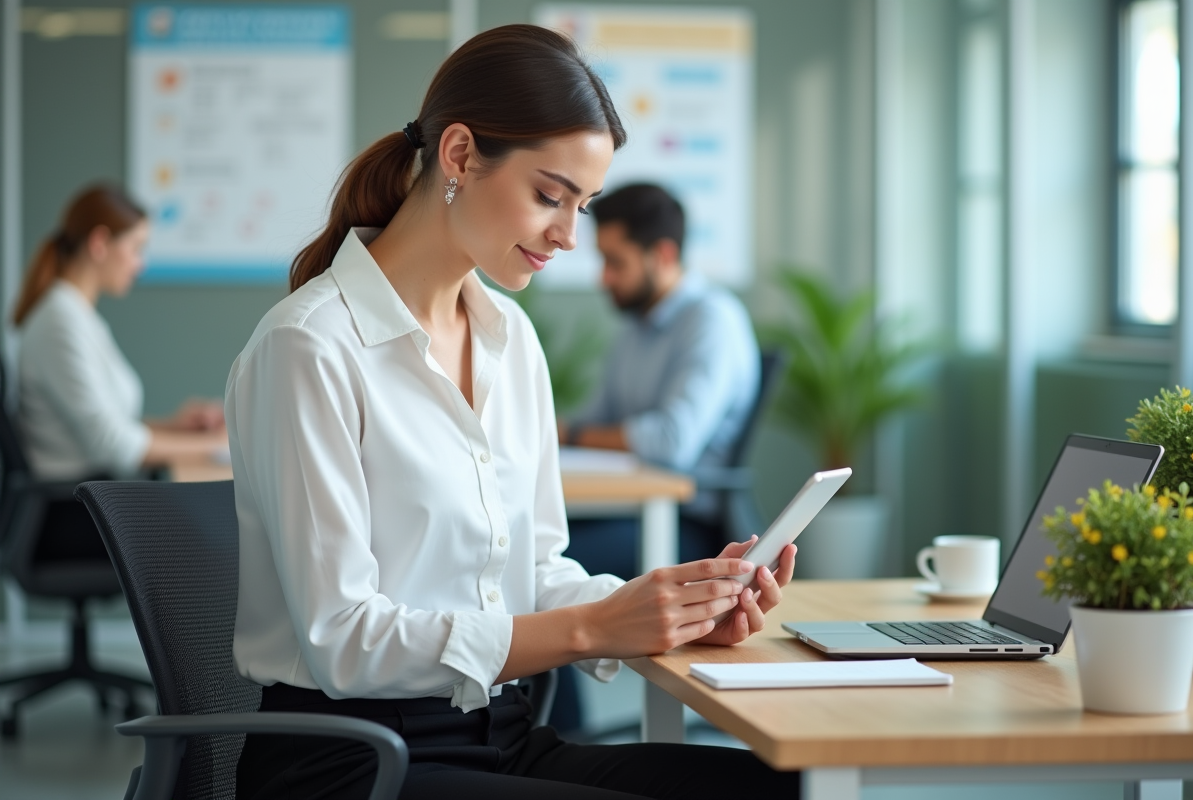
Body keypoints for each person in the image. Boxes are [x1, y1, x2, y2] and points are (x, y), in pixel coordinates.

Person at [226, 25, 799, 800]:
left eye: (582, 207)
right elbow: (344, 641)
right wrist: (594, 630)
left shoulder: (509, 339)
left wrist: (663, 611)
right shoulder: (310, 346)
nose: (568, 236)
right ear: (459, 155)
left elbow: (533, 574)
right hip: (355, 760)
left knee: (770, 786)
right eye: (549, 196)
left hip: (503, 733)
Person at [560, 184, 761, 580]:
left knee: (535, 563)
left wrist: (571, 433)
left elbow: (672, 441)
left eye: (615, 262)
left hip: (684, 528)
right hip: (627, 512)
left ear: (663, 255)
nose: (604, 278)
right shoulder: (634, 330)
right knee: (525, 542)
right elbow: (596, 418)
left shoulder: (712, 321)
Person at [14, 184, 225, 487]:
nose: (141, 264)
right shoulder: (59, 322)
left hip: (95, 495)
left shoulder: (77, 316)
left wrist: (175, 426)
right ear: (100, 243)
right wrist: (218, 446)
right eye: (136, 248)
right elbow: (113, 445)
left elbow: (111, 427)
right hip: (77, 511)